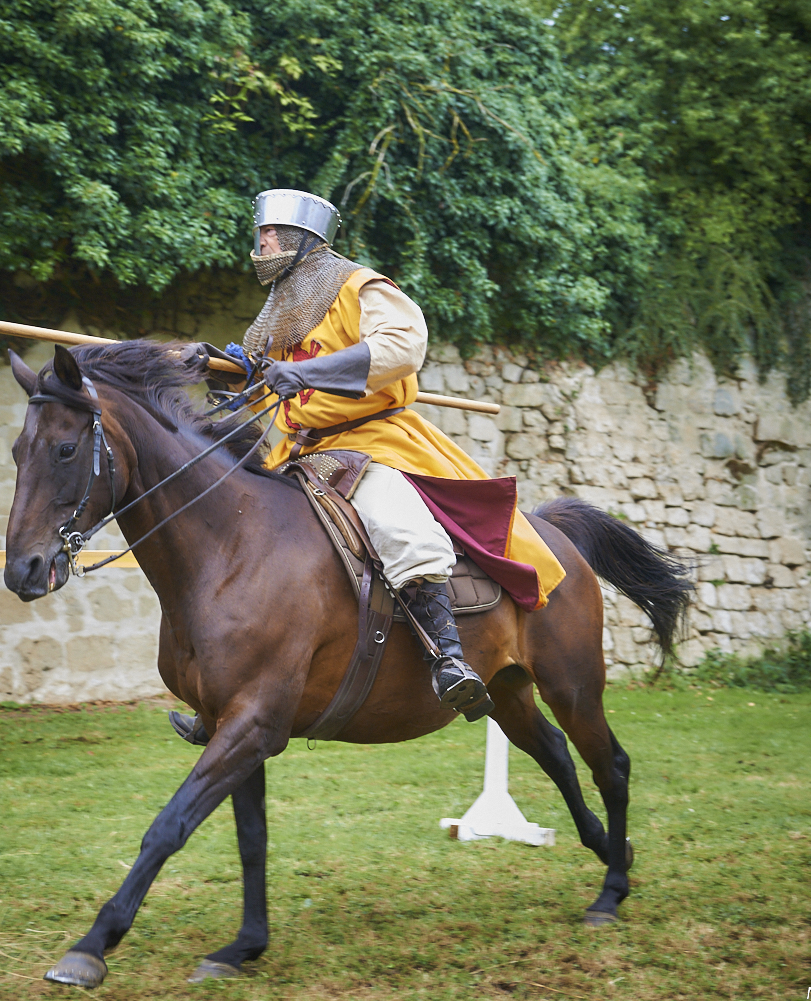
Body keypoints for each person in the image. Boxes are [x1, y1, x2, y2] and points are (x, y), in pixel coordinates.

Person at [174, 189, 567, 741]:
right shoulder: (279, 311)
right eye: (259, 235)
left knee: (400, 528)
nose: (260, 245)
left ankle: (448, 659)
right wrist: (216, 366)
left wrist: (306, 374)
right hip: (299, 453)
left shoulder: (361, 287)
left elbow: (404, 347)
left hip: (369, 444)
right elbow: (261, 380)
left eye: (270, 235)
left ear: (300, 239)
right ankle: (225, 687)